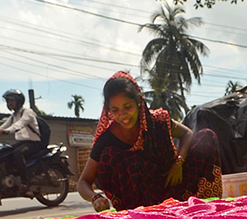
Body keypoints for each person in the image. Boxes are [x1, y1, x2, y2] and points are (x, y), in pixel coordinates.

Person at [77, 71, 223, 211]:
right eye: (115, 110)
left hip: (174, 188)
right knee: (110, 155)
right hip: (139, 204)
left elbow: (187, 133)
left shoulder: (158, 121)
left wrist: (179, 162)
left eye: (128, 107)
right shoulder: (107, 139)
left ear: (139, 102)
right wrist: (95, 198)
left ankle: (202, 206)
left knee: (207, 137)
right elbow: (83, 182)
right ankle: (138, 213)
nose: (123, 115)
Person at [0, 89, 43, 181]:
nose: (10, 103)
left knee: (17, 152)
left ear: (19, 101)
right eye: (8, 101)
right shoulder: (14, 115)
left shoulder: (27, 112)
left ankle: (25, 181)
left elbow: (19, 124)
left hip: (34, 143)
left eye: (12, 100)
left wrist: (6, 131)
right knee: (5, 152)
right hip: (22, 143)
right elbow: (3, 126)